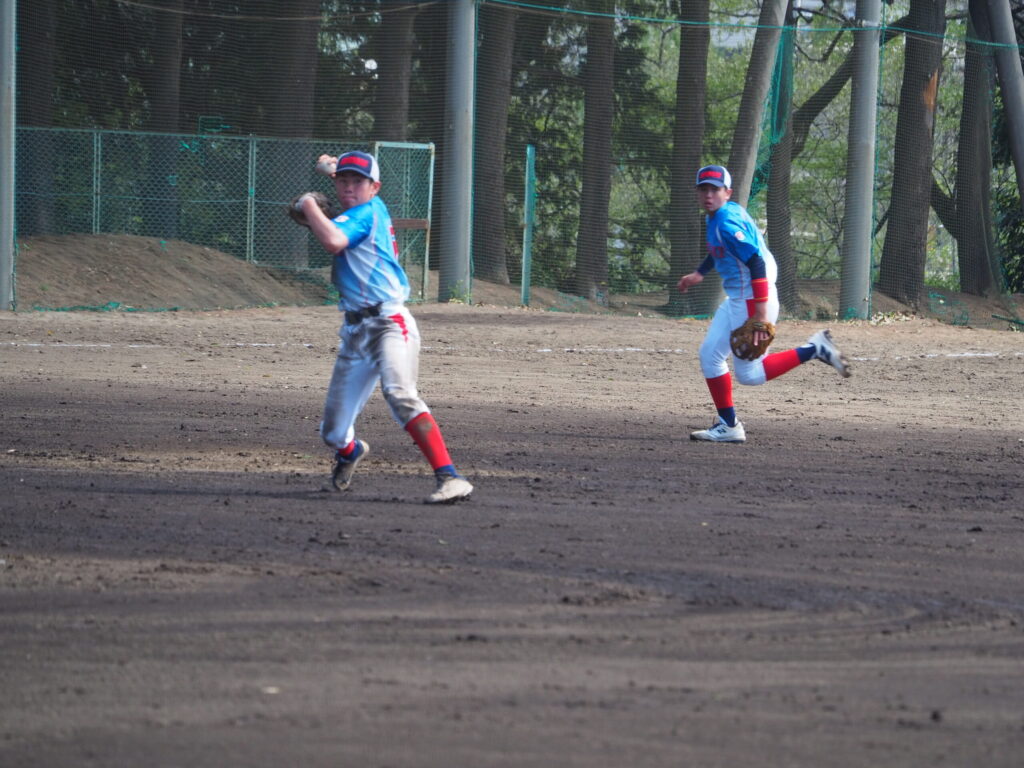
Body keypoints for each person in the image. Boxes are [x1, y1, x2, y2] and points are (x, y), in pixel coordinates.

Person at [295, 150, 473, 502]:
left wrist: (308, 204)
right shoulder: (365, 205)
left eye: (358, 182)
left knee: (400, 393)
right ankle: (350, 452)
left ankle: (450, 477)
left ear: (374, 187)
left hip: (389, 323)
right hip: (355, 334)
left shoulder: (365, 214)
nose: (349, 187)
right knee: (333, 433)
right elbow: (347, 183)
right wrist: (330, 168)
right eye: (343, 181)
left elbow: (333, 241)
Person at [676, 165, 852, 443]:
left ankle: (815, 349)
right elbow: (720, 249)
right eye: (704, 189)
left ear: (727, 192)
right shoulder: (724, 213)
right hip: (742, 297)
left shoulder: (726, 222)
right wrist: (700, 273)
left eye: (715, 189)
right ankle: (729, 426)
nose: (709, 194)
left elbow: (755, 262)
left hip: (753, 299)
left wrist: (759, 316)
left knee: (750, 374)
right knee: (710, 355)